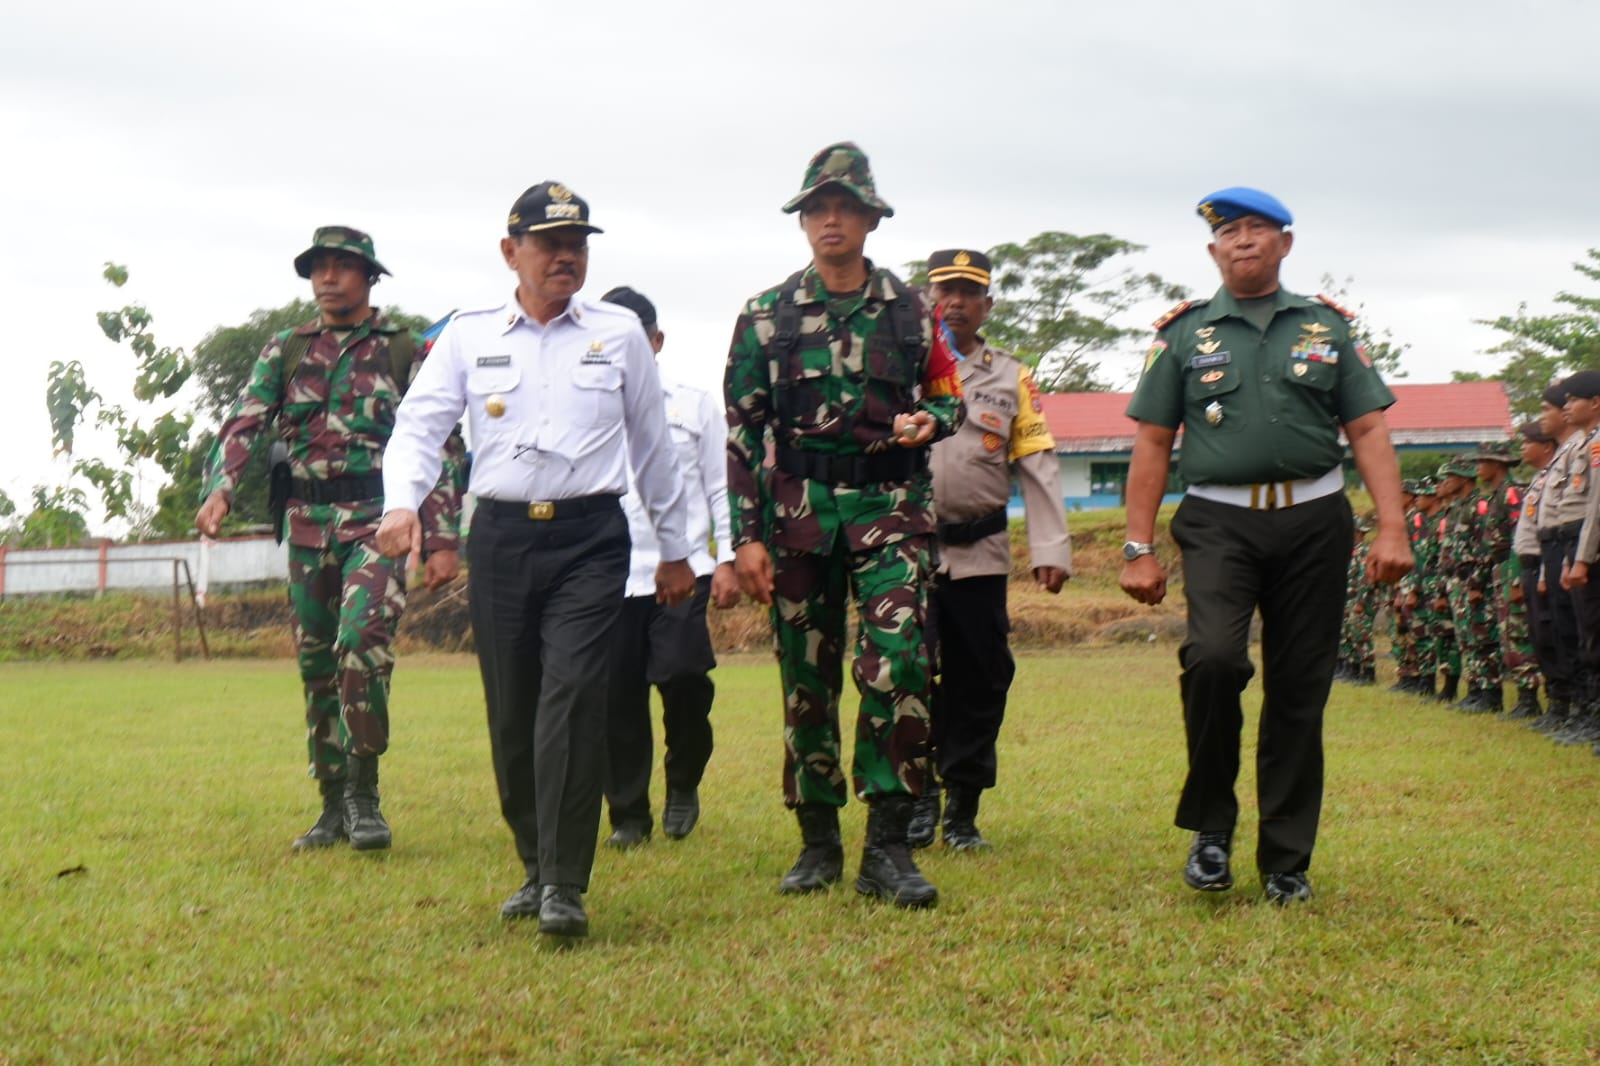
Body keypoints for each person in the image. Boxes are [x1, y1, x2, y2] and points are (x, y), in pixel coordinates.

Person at [376, 182, 694, 939]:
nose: (566, 256)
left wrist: (677, 552)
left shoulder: (617, 334)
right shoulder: (467, 335)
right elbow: (420, 426)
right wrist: (401, 504)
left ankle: (564, 883)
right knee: (512, 710)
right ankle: (533, 861)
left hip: (591, 537)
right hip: (504, 540)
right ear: (509, 251)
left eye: (578, 244)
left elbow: (653, 449)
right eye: (550, 243)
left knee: (573, 698)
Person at [1118, 187, 1411, 905]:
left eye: (1258, 230)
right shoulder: (1183, 334)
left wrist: (1393, 525)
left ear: (1285, 243)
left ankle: (1285, 859)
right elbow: (1153, 442)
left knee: (1299, 690)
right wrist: (1137, 546)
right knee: (1214, 659)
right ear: (1214, 251)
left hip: (1314, 521)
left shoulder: (1328, 328)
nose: (1244, 241)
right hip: (1219, 521)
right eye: (1230, 233)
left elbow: (1369, 431)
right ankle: (1211, 828)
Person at [724, 142, 964, 909]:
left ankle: (888, 845)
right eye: (818, 208)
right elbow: (739, 433)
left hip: (892, 510)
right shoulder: (765, 317)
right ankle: (818, 842)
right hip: (797, 516)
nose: (831, 220)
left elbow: (950, 394)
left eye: (845, 207)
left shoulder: (912, 310)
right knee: (807, 679)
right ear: (804, 221)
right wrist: (746, 535)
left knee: (900, 663)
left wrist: (935, 421)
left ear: (869, 218)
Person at [195, 226, 464, 854]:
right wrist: (220, 487)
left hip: (379, 522)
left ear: (369, 277)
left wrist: (445, 533)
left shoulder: (402, 350)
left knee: (361, 639)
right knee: (317, 663)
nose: (328, 278)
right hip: (307, 526)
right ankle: (330, 804)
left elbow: (441, 442)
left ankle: (364, 791)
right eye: (319, 267)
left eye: (343, 267)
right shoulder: (286, 350)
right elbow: (245, 422)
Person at [912, 247, 1071, 852]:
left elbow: (1037, 461)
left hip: (981, 553)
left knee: (982, 677)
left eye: (967, 292)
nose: (954, 301)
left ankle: (963, 808)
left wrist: (1050, 545)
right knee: (911, 674)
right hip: (911, 552)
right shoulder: (905, 369)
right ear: (929, 298)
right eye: (944, 290)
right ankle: (919, 796)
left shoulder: (1011, 377)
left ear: (987, 304)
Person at [596, 286, 739, 848]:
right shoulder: (584, 406)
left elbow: (720, 486)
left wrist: (726, 558)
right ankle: (629, 815)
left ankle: (684, 778)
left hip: (682, 570)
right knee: (616, 698)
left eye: (635, 337)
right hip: (605, 574)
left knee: (682, 676)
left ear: (656, 341)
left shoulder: (694, 403)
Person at [1507, 421, 1558, 720]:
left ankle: (1568, 705)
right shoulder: (1540, 479)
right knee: (1541, 637)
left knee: (1554, 636)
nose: (1523, 448)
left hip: (1545, 564)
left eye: (1528, 442)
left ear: (1546, 446)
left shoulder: (1555, 474)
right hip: (1530, 566)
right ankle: (1557, 705)